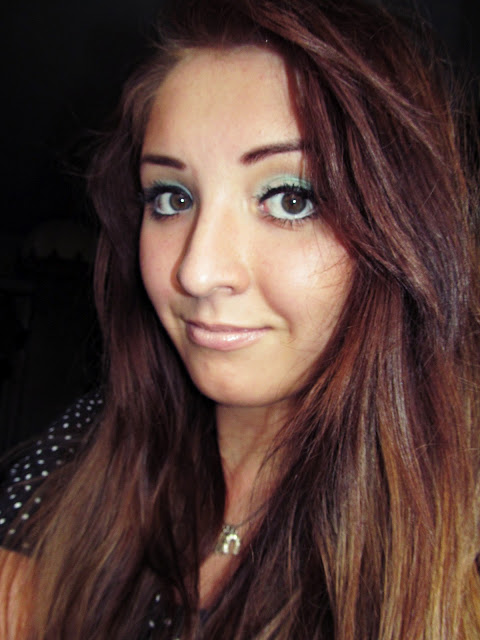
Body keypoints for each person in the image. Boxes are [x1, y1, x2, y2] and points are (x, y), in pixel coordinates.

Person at [1, 0, 479, 637]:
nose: (197, 272)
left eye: (290, 198)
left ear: (402, 232)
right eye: (172, 197)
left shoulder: (455, 544)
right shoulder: (83, 452)